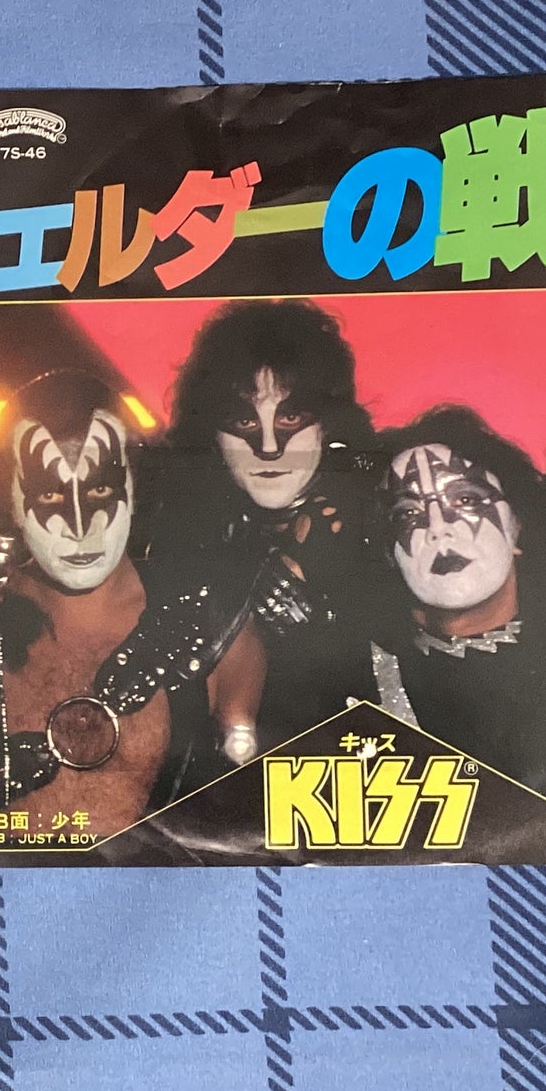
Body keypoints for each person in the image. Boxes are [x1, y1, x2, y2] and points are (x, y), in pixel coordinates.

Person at [132, 297, 381, 760]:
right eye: (245, 419)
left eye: (290, 417)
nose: (269, 446)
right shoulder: (159, 535)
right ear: (211, 430)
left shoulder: (385, 526)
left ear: (329, 424)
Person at [0, 370, 207, 838]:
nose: (80, 525)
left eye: (100, 488)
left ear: (135, 485)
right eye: (49, 493)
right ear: (9, 499)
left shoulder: (210, 625)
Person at [370, 405, 546, 792]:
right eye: (407, 514)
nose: (438, 529)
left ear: (518, 524)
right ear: (388, 552)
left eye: (465, 500)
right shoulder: (352, 679)